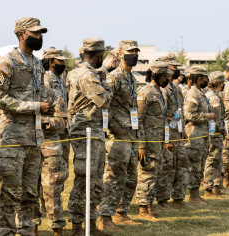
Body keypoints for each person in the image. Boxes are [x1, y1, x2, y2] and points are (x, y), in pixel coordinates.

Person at [0, 17, 55, 236]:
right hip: (11, 140)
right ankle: (6, 233)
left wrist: (49, 107)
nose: (39, 37)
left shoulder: (37, 63)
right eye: (35, 33)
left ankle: (26, 231)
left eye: (41, 34)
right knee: (9, 194)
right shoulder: (7, 61)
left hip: (34, 139)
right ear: (21, 34)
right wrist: (35, 106)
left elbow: (39, 95)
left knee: (29, 194)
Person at [67, 38, 112, 236]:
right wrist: (104, 82)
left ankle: (90, 226)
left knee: (94, 182)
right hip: (86, 132)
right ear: (99, 54)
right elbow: (104, 100)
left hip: (94, 131)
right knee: (84, 181)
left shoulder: (86, 72)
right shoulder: (87, 74)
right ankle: (77, 227)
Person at [99, 40, 140, 233]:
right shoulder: (113, 77)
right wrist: (115, 129)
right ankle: (105, 217)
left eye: (136, 51)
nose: (134, 55)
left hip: (131, 135)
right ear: (121, 54)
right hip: (119, 136)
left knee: (131, 177)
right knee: (114, 177)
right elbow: (104, 106)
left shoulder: (132, 79)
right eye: (130, 51)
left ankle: (121, 212)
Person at [135, 61, 172, 221]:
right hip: (148, 143)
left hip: (157, 143)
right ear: (157, 76)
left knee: (155, 175)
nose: (168, 80)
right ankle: (143, 210)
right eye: (166, 77)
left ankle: (150, 207)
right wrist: (141, 145)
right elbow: (138, 120)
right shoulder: (145, 92)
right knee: (146, 176)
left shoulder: (159, 93)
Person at [40, 47, 69, 236]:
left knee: (58, 177)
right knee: (45, 179)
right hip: (46, 137)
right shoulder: (45, 79)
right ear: (50, 61)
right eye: (59, 60)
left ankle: (53, 213)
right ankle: (43, 211)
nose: (62, 63)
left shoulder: (61, 78)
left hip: (60, 133)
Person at [157, 55, 191, 210]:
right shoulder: (162, 89)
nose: (176, 71)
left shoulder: (176, 88)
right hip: (167, 135)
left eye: (177, 68)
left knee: (181, 166)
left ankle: (178, 198)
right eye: (173, 67)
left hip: (177, 133)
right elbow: (162, 115)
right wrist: (166, 138)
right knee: (167, 168)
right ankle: (162, 200)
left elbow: (179, 111)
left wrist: (182, 129)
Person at [184, 66, 214, 206]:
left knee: (199, 166)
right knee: (194, 167)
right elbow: (189, 115)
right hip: (194, 136)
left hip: (201, 136)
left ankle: (196, 194)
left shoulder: (200, 93)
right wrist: (208, 116)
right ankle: (193, 196)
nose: (207, 80)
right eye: (205, 78)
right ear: (199, 78)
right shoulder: (193, 94)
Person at [203, 71, 227, 197]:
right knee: (212, 161)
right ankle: (208, 189)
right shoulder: (213, 97)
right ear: (220, 84)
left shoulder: (213, 95)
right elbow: (216, 118)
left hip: (216, 133)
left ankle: (216, 187)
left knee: (217, 161)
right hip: (214, 134)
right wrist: (222, 130)